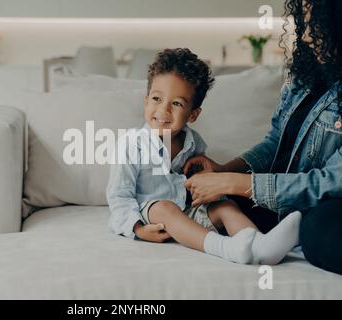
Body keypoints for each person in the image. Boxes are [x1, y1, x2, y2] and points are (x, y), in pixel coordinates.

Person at [183, 0, 342, 274]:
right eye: (303, 24)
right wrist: (224, 171)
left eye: (315, 25)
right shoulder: (304, 75)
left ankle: (290, 229)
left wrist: (234, 183)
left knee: (320, 232)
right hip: (276, 195)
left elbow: (328, 183)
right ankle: (270, 238)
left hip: (323, 201)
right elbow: (274, 143)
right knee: (198, 197)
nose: (305, 35)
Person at [107, 48, 302, 265]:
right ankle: (226, 248)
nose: (163, 110)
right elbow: (119, 197)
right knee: (164, 207)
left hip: (187, 213)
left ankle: (261, 247)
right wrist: (138, 229)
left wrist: (208, 193)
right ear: (146, 101)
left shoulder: (194, 142)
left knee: (226, 207)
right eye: (156, 98)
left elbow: (199, 186)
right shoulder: (131, 144)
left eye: (177, 103)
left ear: (193, 114)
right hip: (153, 217)